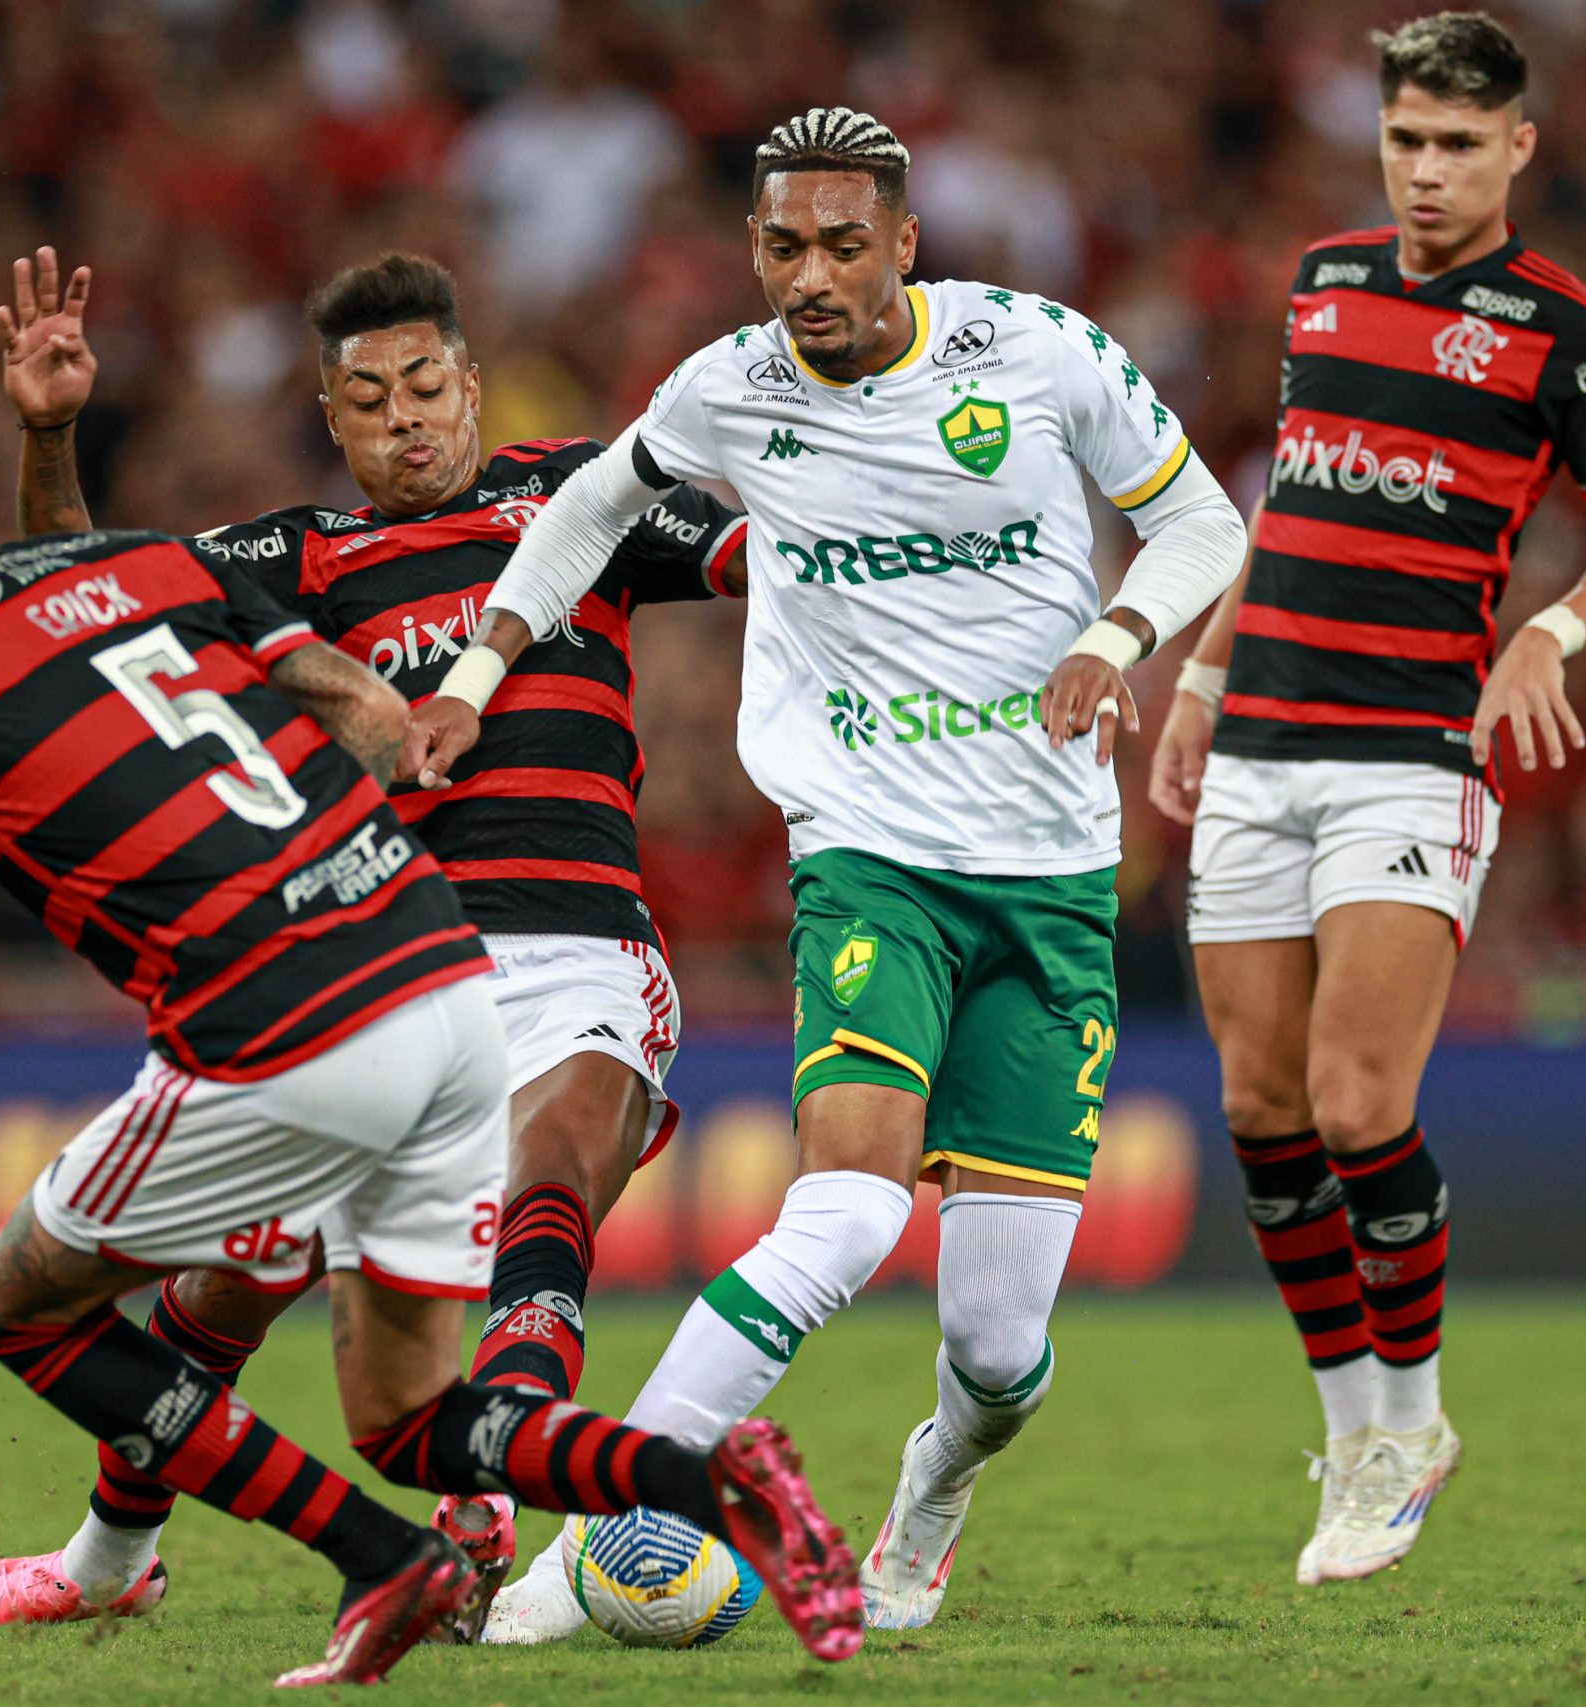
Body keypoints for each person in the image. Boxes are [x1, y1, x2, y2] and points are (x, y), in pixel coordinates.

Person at [0, 361, 861, 1681]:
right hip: (435, 971)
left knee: (19, 1305)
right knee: (397, 1410)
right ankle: (708, 1479)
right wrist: (416, 749)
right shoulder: (148, 570)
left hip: (282, 1021)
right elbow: (350, 698)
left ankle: (350, 1562)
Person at [404, 106, 1248, 1637]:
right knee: (848, 1213)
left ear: (904, 245)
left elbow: (1202, 525)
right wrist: (477, 671)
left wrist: (1116, 635)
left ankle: (934, 1481)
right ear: (754, 246)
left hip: (1052, 886)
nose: (811, 274)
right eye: (783, 244)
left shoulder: (1037, 354)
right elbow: (586, 506)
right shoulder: (727, 391)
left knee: (998, 1355)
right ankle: (584, 1551)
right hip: (870, 862)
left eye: (843, 245)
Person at [0, 248, 747, 1638]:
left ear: (472, 387)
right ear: (332, 421)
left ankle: (482, 1509)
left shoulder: (576, 498)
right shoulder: (291, 559)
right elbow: (74, 602)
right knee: (228, 1283)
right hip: (378, 975)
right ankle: (105, 1564)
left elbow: (770, 555)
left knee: (550, 1181)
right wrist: (53, 432)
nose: (405, 418)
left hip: (576, 951)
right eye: (370, 399)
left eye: (427, 385)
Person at [1145, 11, 1586, 1584]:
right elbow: (1293, 488)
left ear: (1521, 146)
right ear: (1377, 142)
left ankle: (1418, 1417)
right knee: (1257, 1108)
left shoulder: (1566, 330)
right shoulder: (1324, 280)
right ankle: (1357, 1434)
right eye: (1406, 142)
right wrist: (1199, 675)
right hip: (1259, 743)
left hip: (1408, 749)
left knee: (1360, 1102)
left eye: (1459, 143)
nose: (1427, 170)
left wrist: (1548, 631)